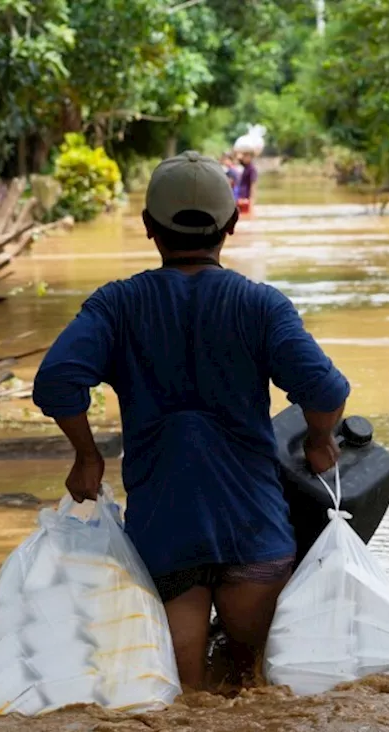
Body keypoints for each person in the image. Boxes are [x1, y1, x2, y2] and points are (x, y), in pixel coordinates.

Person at [33, 151, 350, 690]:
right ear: (231, 224)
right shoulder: (261, 306)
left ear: (149, 227)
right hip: (253, 531)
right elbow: (325, 390)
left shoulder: (117, 306)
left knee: (180, 698)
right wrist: (320, 441)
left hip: (165, 534)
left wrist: (87, 456)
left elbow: (56, 380)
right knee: (258, 692)